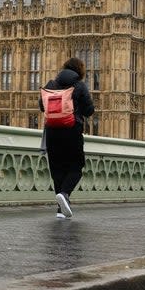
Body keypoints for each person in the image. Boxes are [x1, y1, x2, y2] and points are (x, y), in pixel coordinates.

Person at [39, 57, 95, 218]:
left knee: (57, 169)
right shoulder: (79, 85)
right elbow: (89, 110)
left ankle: (60, 209)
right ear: (80, 71)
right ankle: (64, 194)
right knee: (76, 167)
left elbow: (42, 106)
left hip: (52, 131)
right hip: (71, 131)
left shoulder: (51, 84)